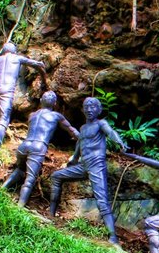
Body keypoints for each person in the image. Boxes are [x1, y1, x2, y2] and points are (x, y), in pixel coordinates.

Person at [48, 97, 129, 244]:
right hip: (83, 166)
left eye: (93, 107)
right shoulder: (83, 128)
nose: (89, 110)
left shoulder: (101, 124)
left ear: (99, 110)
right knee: (56, 176)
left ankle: (113, 237)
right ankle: (51, 215)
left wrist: (120, 142)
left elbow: (111, 132)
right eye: (86, 106)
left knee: (102, 201)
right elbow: (80, 144)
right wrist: (73, 160)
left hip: (96, 166)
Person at [3, 91, 79, 208]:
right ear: (54, 103)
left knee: (20, 169)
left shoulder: (32, 115)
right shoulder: (56, 116)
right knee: (30, 179)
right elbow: (72, 130)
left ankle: (2, 188)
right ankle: (19, 206)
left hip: (24, 145)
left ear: (40, 101)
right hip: (38, 147)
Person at [0, 42, 47, 147]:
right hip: (6, 89)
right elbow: (36, 64)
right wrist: (43, 76)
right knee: (4, 117)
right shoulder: (17, 58)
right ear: (14, 50)